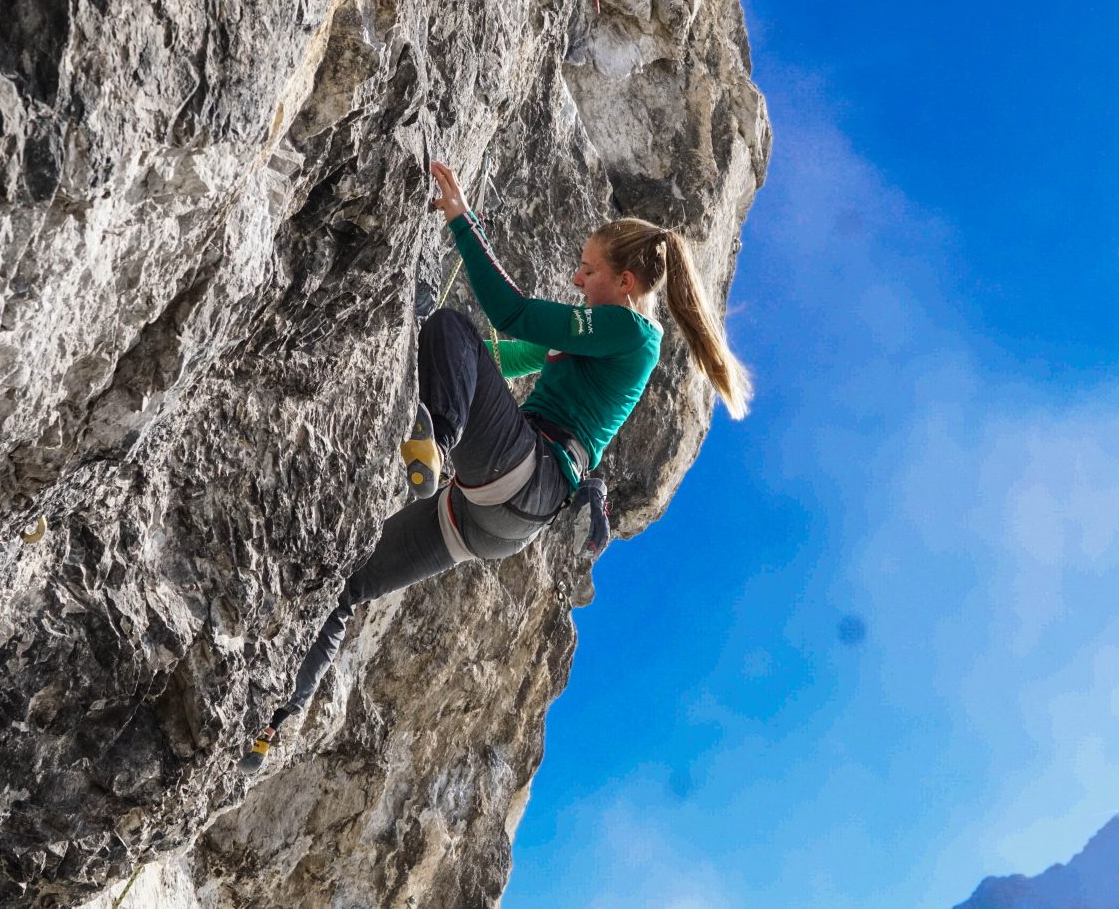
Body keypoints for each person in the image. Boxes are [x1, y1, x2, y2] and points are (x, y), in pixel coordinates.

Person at [239, 161, 752, 772]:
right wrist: (419, 329)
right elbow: (496, 358)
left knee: (453, 325)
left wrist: (461, 222)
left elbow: (507, 314)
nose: (575, 277)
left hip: (527, 472)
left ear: (625, 282)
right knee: (352, 584)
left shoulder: (632, 332)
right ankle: (271, 727)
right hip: (498, 521)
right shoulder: (599, 338)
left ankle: (432, 445)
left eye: (588, 271)